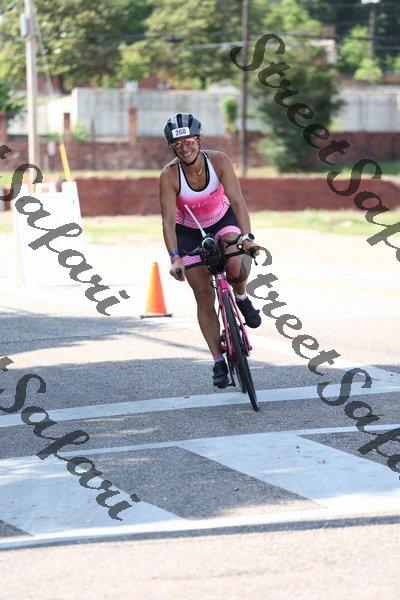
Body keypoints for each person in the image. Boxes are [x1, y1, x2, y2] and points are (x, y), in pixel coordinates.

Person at [159, 112, 261, 389]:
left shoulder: (219, 161)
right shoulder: (169, 175)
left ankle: (241, 297)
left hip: (222, 220)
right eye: (177, 144)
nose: (184, 148)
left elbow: (237, 201)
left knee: (237, 266)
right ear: (172, 147)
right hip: (188, 230)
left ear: (199, 140)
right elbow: (167, 221)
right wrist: (175, 258)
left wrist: (247, 237)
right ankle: (218, 360)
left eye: (189, 141)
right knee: (203, 295)